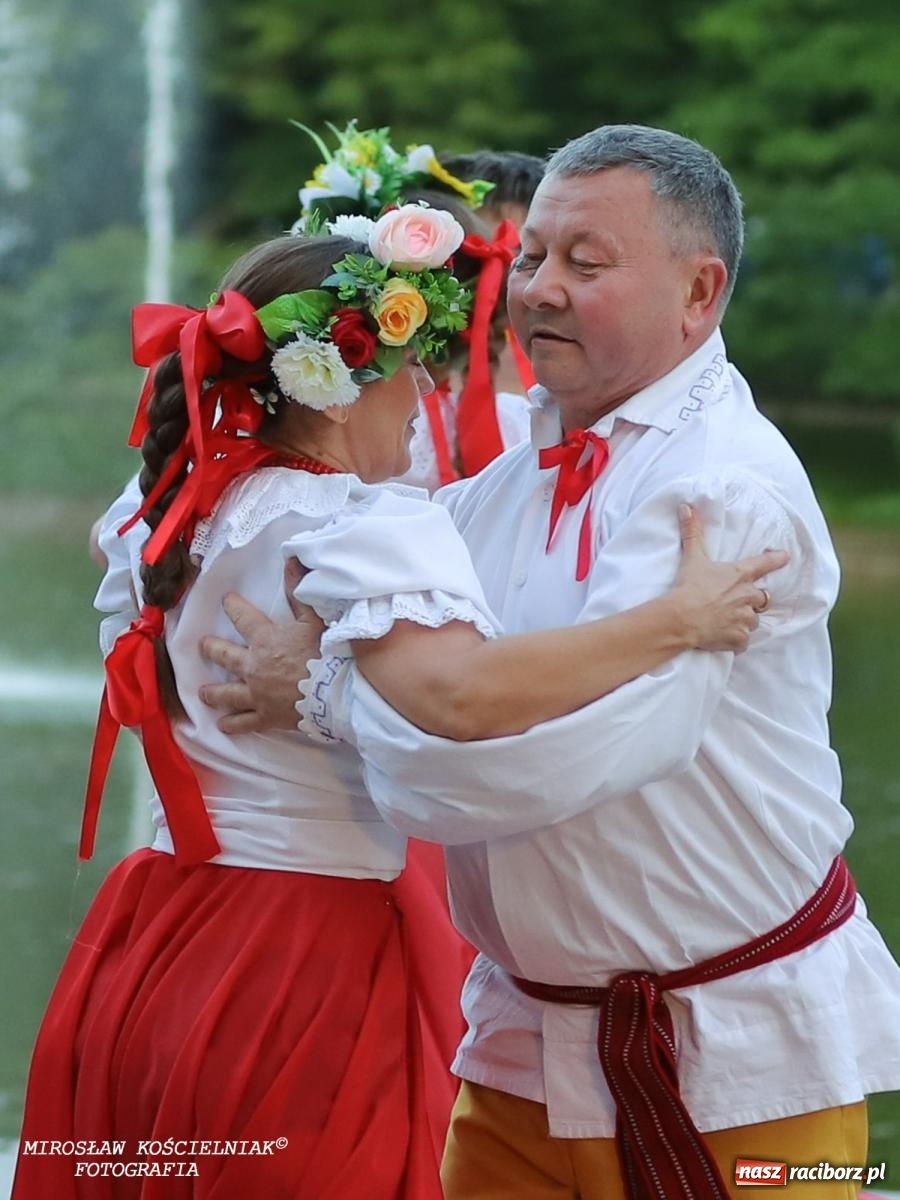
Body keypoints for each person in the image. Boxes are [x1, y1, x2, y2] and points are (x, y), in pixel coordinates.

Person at [13, 204, 777, 1200]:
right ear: (331, 392)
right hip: (294, 955)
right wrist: (675, 621)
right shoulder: (357, 527)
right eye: (410, 368)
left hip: (151, 934)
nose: (426, 395)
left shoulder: (164, 507)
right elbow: (458, 700)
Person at [200, 125, 900, 1200]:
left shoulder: (724, 491)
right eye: (532, 260)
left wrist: (324, 687)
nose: (540, 289)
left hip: (742, 1071)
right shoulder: (500, 486)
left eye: (587, 263)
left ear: (698, 293)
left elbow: (529, 768)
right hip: (523, 1054)